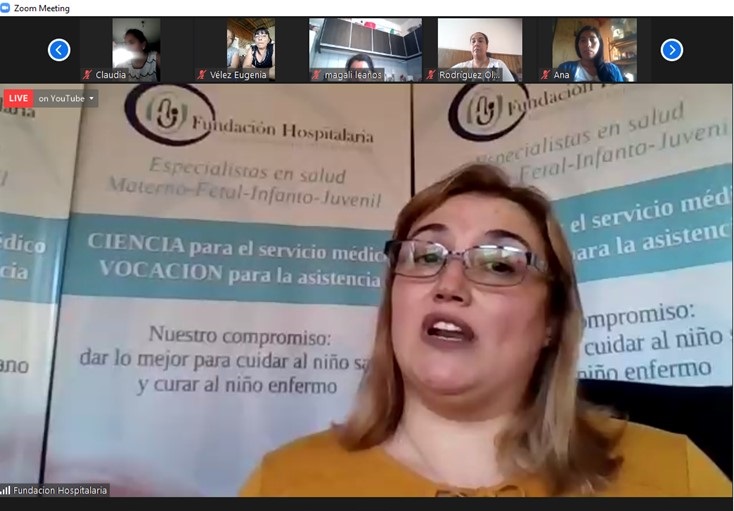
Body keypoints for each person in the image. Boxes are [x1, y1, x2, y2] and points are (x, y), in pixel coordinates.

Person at [238, 163, 732, 497]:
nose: (449, 284)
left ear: (552, 321)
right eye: (425, 256)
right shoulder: (283, 483)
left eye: (499, 263)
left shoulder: (677, 473)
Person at [557, 26, 624, 82]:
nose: (588, 44)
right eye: (583, 40)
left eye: (592, 40)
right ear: (578, 45)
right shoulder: (564, 69)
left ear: (600, 45)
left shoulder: (613, 69)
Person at [450, 32, 515, 82]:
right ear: (470, 47)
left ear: (487, 46)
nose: (476, 44)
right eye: (473, 41)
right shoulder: (461, 67)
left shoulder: (498, 65)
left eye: (480, 41)